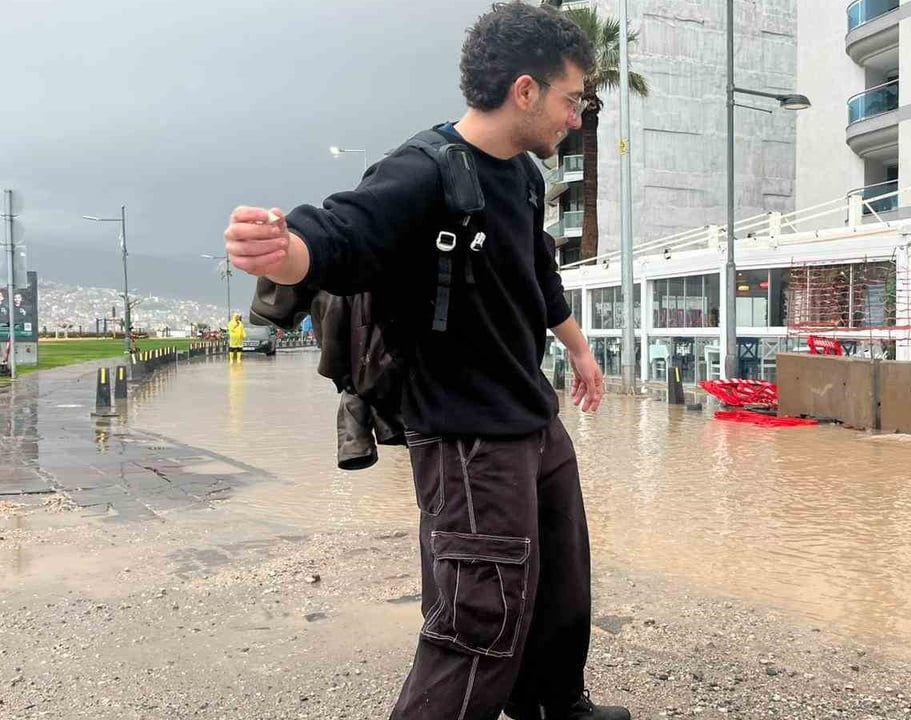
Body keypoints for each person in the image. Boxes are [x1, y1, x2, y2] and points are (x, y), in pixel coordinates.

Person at [222, 5, 625, 720]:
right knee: (478, 622)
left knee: (562, 589)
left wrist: (580, 350)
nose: (577, 117)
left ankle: (552, 707)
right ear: (525, 92)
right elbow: (341, 233)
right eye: (572, 100)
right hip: (467, 439)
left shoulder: (525, 178)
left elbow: (539, 277)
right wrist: (280, 249)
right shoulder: (422, 172)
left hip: (533, 419)